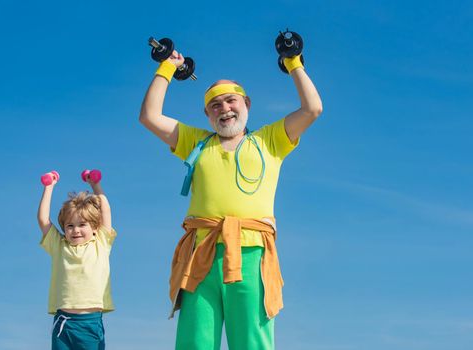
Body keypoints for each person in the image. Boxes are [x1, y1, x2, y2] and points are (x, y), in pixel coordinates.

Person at [139, 41, 322, 350]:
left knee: (252, 342)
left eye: (231, 101)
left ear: (246, 104)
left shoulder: (270, 140)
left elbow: (312, 109)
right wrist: (167, 66)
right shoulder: (196, 142)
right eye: (216, 105)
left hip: (252, 254)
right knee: (195, 343)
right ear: (207, 114)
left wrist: (293, 62)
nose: (224, 109)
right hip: (201, 254)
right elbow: (150, 116)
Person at [37, 170, 116, 350]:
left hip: (90, 324)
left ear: (95, 227)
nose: (76, 230)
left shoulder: (101, 243)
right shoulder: (59, 245)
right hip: (63, 323)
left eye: (82, 225)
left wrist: (95, 185)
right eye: (70, 226)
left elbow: (105, 210)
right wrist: (49, 187)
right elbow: (43, 220)